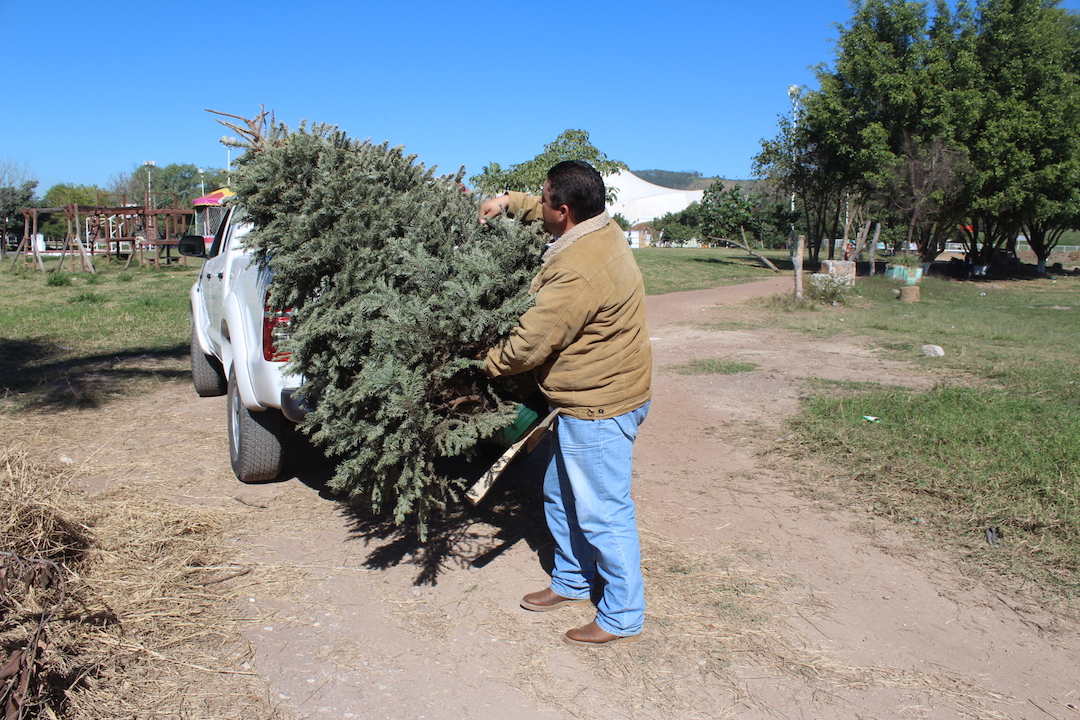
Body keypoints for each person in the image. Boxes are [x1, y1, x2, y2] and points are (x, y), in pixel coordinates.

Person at [479, 160, 652, 646]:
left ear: (566, 209)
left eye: (545, 196)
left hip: (601, 405)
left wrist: (479, 364)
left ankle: (621, 615)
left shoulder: (578, 271)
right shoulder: (599, 227)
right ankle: (573, 579)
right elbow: (548, 211)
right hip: (587, 397)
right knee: (561, 493)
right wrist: (510, 202)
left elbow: (528, 345)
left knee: (603, 511)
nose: (542, 201)